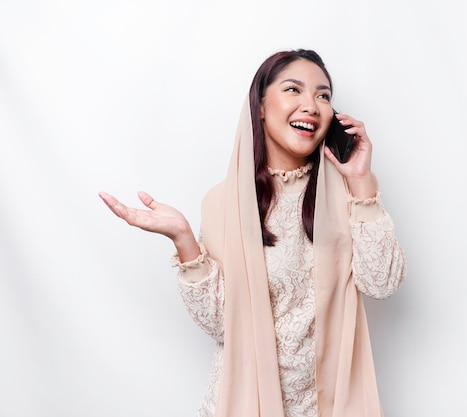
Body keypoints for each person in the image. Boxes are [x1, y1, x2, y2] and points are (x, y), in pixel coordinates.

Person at [99, 49, 407, 417]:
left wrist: (360, 183)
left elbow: (382, 283)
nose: (311, 104)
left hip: (330, 405)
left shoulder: (351, 193)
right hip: (244, 403)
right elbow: (222, 324)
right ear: (259, 107)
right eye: (293, 89)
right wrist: (183, 239)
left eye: (323, 95)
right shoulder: (221, 201)